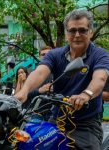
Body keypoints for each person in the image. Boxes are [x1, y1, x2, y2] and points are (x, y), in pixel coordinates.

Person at [15, 9, 109, 150]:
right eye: (72, 30)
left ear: (90, 32)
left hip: (85, 125)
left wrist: (86, 95)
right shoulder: (55, 55)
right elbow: (40, 72)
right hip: (57, 120)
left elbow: (100, 78)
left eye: (82, 30)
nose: (77, 35)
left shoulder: (100, 55)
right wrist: (24, 91)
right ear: (66, 33)